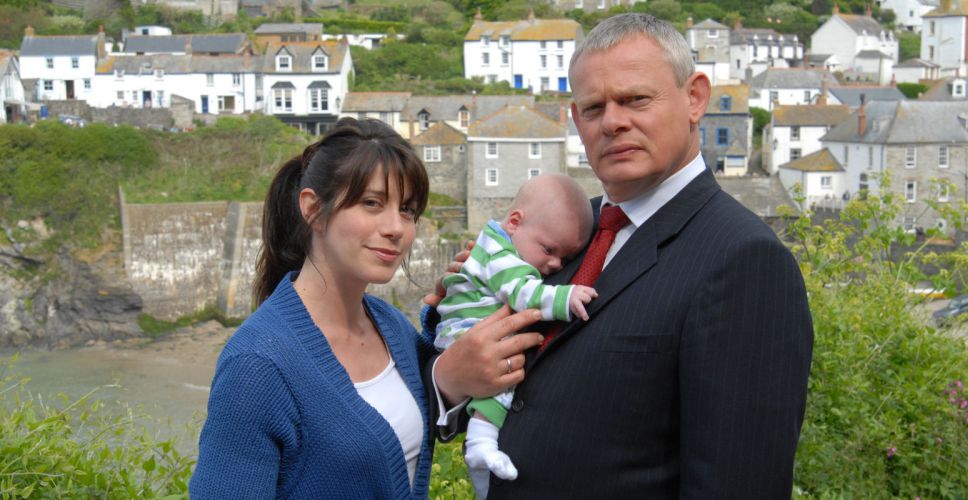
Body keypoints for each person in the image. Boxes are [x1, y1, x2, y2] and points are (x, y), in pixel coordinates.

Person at [430, 13, 814, 498]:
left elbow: (736, 482)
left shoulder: (745, 261)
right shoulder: (562, 235)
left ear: (695, 97)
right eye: (594, 108)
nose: (613, 121)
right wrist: (450, 365)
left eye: (635, 99)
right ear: (575, 120)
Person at [188, 117, 535, 498]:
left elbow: (432, 402)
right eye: (372, 203)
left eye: (407, 210)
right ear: (313, 209)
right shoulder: (257, 365)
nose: (396, 228)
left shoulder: (390, 327)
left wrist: (463, 311)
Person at [434, 174, 597, 495]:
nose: (553, 264)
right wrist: (567, 296)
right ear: (514, 222)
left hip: (460, 330)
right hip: (465, 336)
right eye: (548, 250)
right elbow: (523, 292)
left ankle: (481, 446)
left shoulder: (501, 244)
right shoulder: (502, 256)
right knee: (505, 371)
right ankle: (481, 443)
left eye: (564, 259)